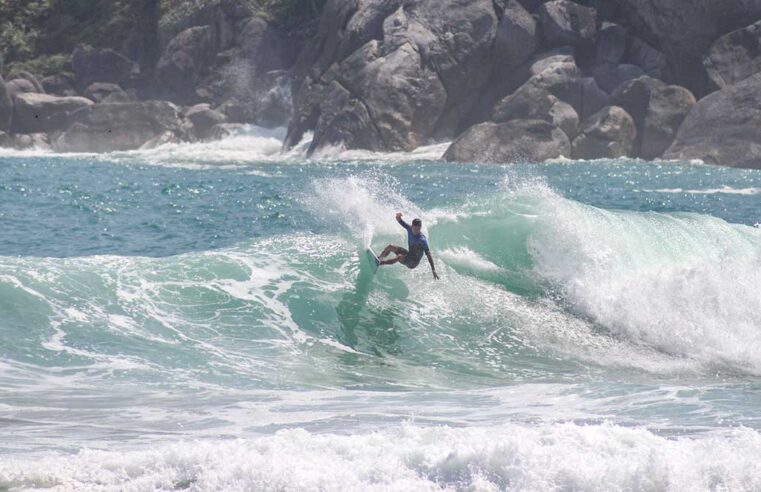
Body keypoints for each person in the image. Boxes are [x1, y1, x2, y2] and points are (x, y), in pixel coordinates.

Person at [379, 213, 439, 280]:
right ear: (412, 226)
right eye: (415, 228)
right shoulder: (409, 228)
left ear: (420, 228)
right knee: (390, 247)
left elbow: (429, 254)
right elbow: (400, 220)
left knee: (399, 257)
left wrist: (433, 269)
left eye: (418, 228)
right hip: (409, 254)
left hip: (413, 262)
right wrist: (398, 216)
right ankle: (379, 258)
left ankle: (380, 263)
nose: (416, 230)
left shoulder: (422, 240)